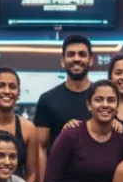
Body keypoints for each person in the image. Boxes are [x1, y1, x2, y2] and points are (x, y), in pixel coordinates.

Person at [33, 34, 95, 167]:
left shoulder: (104, 99)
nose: (76, 59)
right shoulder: (47, 99)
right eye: (71, 54)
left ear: (91, 60)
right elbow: (40, 148)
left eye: (82, 54)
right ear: (63, 60)